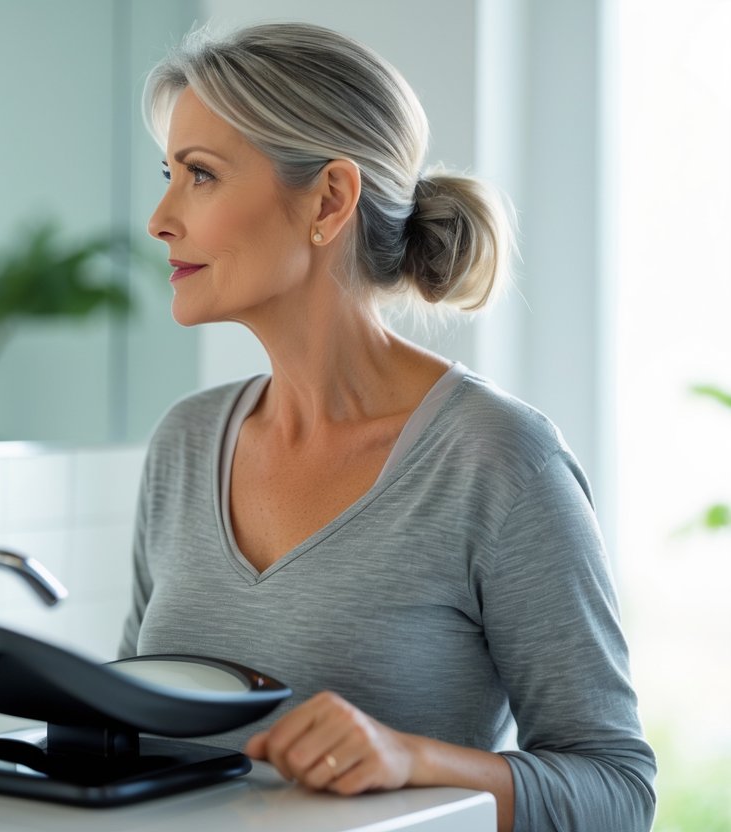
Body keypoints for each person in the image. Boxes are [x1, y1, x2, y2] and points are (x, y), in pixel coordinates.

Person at [119, 22, 655, 832]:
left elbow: (617, 793)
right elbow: (125, 731)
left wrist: (416, 760)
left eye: (199, 176)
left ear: (329, 201)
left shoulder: (499, 462)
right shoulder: (185, 444)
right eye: (169, 173)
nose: (160, 218)